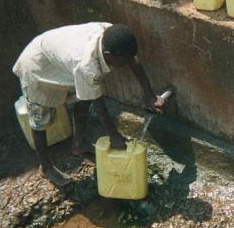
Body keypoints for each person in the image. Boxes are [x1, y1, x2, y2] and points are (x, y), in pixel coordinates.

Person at [13, 22, 164, 188]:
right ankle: (46, 167)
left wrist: (149, 94)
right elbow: (98, 102)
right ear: (108, 55)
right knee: (40, 119)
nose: (127, 63)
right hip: (38, 69)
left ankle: (78, 145)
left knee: (83, 100)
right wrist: (113, 135)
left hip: (63, 62)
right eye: (123, 61)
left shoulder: (111, 34)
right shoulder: (87, 66)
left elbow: (132, 59)